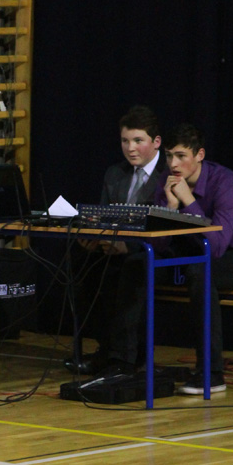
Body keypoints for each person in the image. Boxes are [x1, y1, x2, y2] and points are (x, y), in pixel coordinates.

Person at [155, 124, 233, 394]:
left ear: (199, 155)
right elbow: (159, 245)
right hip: (193, 253)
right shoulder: (166, 180)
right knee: (137, 265)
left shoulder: (225, 183)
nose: (173, 164)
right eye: (168, 156)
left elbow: (217, 246)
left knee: (201, 272)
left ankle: (211, 373)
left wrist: (189, 202)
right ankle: (124, 362)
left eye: (181, 156)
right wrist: (170, 208)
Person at [70, 106, 165, 376]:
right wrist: (92, 237)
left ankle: (126, 357)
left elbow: (164, 227)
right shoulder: (115, 173)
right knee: (82, 261)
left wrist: (128, 246)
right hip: (115, 247)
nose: (130, 148)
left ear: (156, 142)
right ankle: (105, 347)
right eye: (125, 141)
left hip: (153, 250)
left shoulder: (169, 174)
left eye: (138, 140)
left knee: (131, 267)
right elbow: (104, 217)